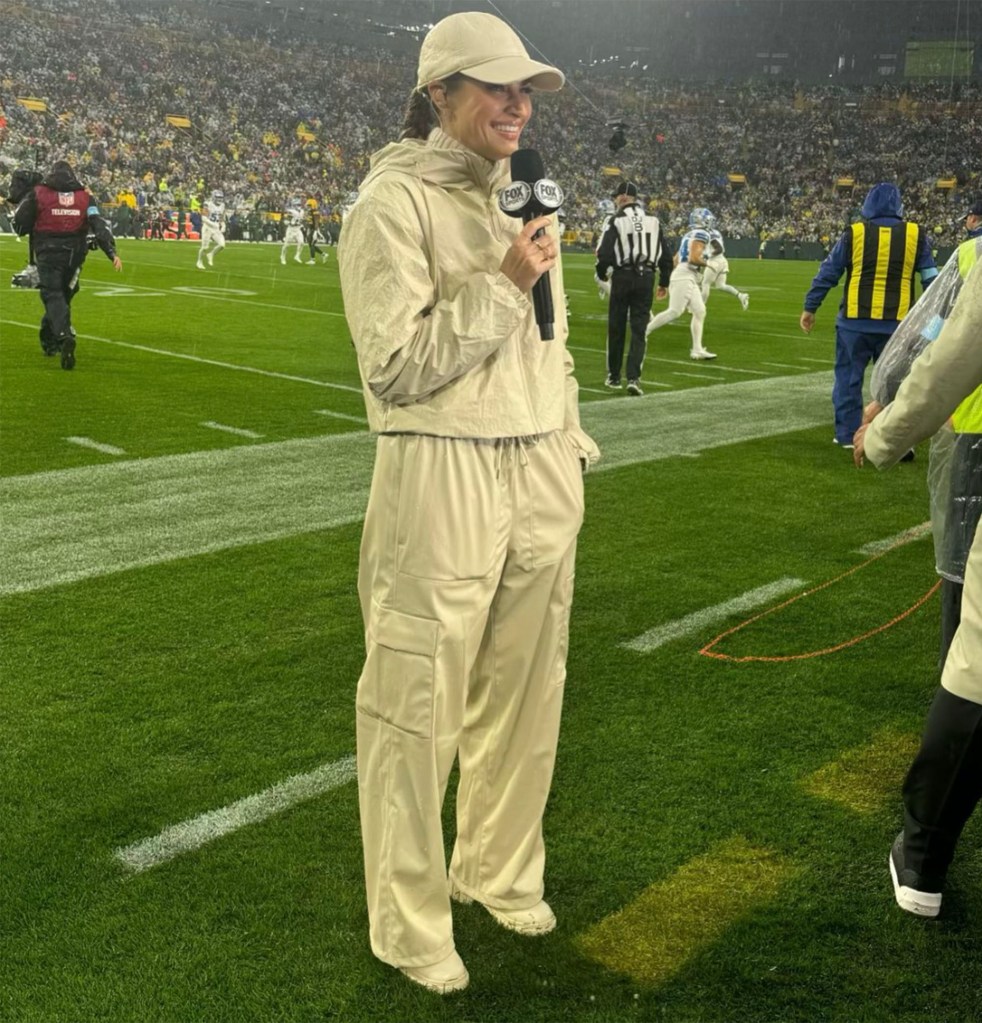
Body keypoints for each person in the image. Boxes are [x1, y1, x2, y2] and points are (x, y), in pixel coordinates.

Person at [337, 10, 598, 996]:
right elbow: (395, 367)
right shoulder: (390, 203)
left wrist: (566, 438)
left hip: (536, 464)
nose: (515, 102)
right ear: (437, 93)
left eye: (523, 88)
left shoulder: (524, 202)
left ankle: (495, 869)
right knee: (416, 703)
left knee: (529, 691)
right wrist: (501, 283)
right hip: (439, 464)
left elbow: (550, 341)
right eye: (494, 85)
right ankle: (407, 923)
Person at [853, 261, 982, 919]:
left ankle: (923, 857)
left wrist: (881, 429)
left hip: (971, 439)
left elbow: (938, 348)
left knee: (972, 659)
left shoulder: (970, 258)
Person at [799, 182, 938, 449]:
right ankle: (896, 438)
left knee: (848, 380)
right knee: (897, 384)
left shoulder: (854, 233)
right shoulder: (916, 234)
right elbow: (931, 279)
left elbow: (829, 272)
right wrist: (933, 319)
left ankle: (847, 435)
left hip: (854, 324)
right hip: (898, 326)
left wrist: (810, 306)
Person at [13, 159, 122, 370]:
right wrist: (111, 252)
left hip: (48, 252)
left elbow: (20, 225)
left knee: (53, 294)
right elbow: (99, 224)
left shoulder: (39, 193)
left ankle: (63, 336)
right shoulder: (84, 196)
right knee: (63, 295)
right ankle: (50, 338)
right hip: (75, 255)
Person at [594, 182, 672, 396]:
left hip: (623, 276)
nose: (616, 200)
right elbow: (666, 255)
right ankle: (634, 378)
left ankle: (614, 376)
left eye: (617, 197)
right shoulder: (654, 221)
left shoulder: (616, 220)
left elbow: (605, 254)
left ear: (624, 197)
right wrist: (664, 281)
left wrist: (602, 274)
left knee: (616, 327)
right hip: (646, 277)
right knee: (639, 329)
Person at [645, 207, 717, 361]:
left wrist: (667, 279)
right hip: (686, 274)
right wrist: (709, 265)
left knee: (700, 311)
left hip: (685, 274)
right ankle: (644, 332)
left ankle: (697, 349)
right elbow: (693, 258)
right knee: (675, 311)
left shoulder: (688, 234)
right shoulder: (702, 234)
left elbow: (676, 260)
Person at [701, 229, 749, 310]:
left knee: (705, 283)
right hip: (722, 260)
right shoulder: (714, 231)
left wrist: (708, 255)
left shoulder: (708, 234)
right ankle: (741, 295)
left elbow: (719, 249)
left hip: (715, 261)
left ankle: (700, 307)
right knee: (721, 285)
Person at [197, 189, 226, 269]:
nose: (219, 199)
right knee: (205, 247)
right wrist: (213, 224)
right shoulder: (207, 204)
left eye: (221, 198)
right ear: (213, 197)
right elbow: (203, 218)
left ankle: (211, 254)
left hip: (216, 228)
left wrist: (223, 225)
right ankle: (199, 261)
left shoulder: (222, 205)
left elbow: (221, 217)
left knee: (222, 245)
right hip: (207, 228)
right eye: (218, 197)